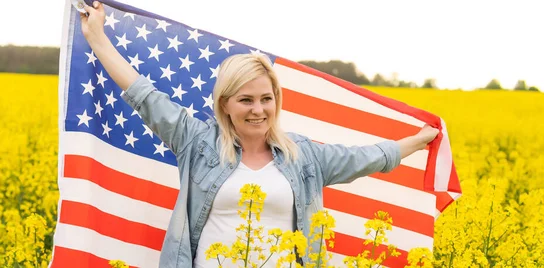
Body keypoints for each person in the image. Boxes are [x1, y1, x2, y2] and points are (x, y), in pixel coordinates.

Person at [79, 2, 440, 267]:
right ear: (225, 104)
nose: (258, 109)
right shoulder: (197, 142)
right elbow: (144, 96)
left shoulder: (304, 156)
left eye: (267, 99)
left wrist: (421, 139)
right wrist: (97, 37)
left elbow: (369, 157)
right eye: (246, 100)